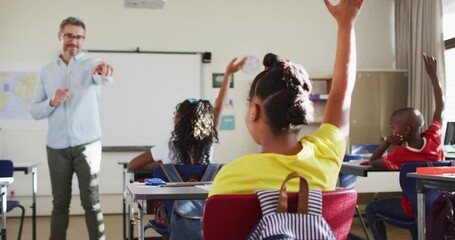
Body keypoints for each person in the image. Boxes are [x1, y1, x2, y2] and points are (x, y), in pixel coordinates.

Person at [208, 0, 364, 197]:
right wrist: (346, 24)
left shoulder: (231, 177)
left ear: (254, 111)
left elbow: (216, 227)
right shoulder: (325, 154)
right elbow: (341, 93)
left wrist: (345, 23)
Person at [126, 57, 246, 240]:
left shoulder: (166, 148)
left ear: (179, 120)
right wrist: (228, 74)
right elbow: (219, 107)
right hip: (205, 214)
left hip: (170, 218)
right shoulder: (209, 146)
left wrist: (160, 167)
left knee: (168, 206)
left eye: (176, 114)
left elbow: (133, 165)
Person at [30, 17, 114, 240]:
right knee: (59, 204)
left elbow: (102, 77)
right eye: (69, 35)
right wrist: (52, 101)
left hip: (87, 146)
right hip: (56, 147)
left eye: (78, 37)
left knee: (91, 202)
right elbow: (34, 111)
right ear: (60, 36)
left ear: (83, 40)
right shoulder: (46, 72)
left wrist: (103, 71)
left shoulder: (91, 65)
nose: (73, 41)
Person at [365, 54, 445, 240]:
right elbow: (440, 106)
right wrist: (433, 76)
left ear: (407, 130)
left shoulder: (400, 154)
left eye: (393, 126)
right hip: (438, 205)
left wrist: (387, 142)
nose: (391, 129)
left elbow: (373, 161)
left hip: (414, 210)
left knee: (371, 208)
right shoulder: (434, 137)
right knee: (418, 205)